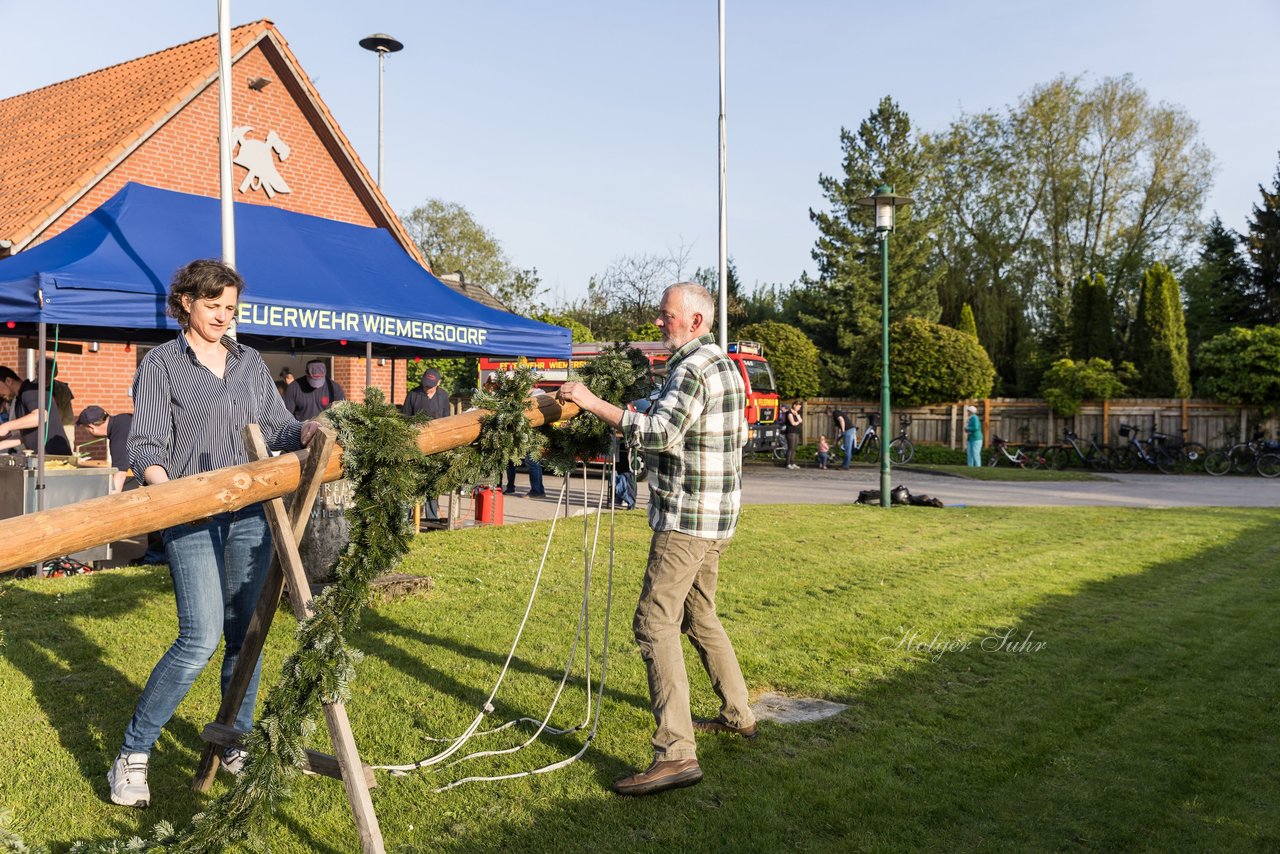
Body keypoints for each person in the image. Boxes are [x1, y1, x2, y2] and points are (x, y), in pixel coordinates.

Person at [108, 259, 322, 809]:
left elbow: (276, 425)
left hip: (251, 510)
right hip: (191, 511)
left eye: (230, 308)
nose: (223, 317)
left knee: (246, 632)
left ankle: (235, 740)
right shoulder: (161, 363)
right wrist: (174, 496)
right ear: (185, 302)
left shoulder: (249, 361)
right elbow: (146, 446)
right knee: (198, 637)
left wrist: (308, 427)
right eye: (212, 306)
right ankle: (133, 753)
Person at [557, 282, 756, 797]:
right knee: (700, 615)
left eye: (667, 316)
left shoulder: (690, 369)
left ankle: (675, 754)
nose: (659, 322)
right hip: (717, 520)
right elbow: (687, 419)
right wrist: (639, 405)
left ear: (695, 321)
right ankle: (738, 713)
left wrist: (590, 401)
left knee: (653, 622)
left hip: (686, 522)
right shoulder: (722, 364)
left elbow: (660, 434)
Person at [403, 367, 452, 520]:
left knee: (431, 482)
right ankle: (407, 517)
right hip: (416, 445)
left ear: (438, 383)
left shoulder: (443, 395)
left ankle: (431, 518)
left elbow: (446, 420)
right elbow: (405, 419)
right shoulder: (413, 394)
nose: (427, 388)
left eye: (430, 386)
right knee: (411, 483)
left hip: (436, 445)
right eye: (425, 385)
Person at [0, 365, 73, 455]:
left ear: (8, 381)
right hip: (40, 458)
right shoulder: (19, 400)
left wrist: (6, 426)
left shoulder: (31, 391)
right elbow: (25, 435)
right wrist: (1, 445)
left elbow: (41, 416)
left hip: (55, 456)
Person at [76, 405, 134, 494]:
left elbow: (120, 475)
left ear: (91, 427)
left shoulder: (118, 438)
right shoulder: (124, 418)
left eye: (85, 429)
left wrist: (108, 504)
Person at [784, 400, 804, 469]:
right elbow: (793, 423)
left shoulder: (796, 413)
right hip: (790, 432)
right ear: (794, 405)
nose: (799, 408)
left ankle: (792, 462)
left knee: (794, 448)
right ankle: (788, 463)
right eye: (798, 407)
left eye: (800, 407)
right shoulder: (789, 413)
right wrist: (798, 421)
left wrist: (797, 416)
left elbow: (801, 421)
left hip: (796, 432)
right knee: (790, 448)